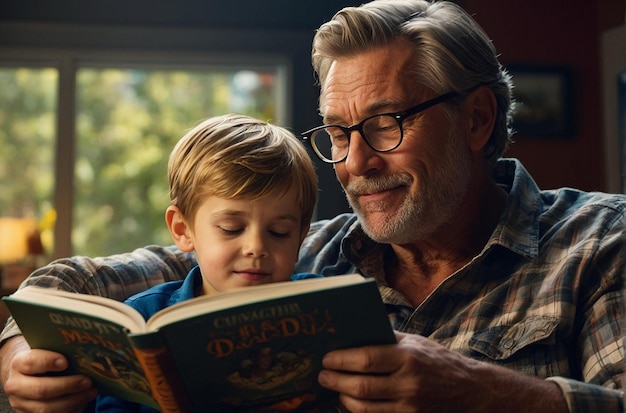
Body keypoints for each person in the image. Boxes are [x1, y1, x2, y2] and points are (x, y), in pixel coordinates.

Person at [0, 1, 624, 412]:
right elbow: (70, 282)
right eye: (337, 132)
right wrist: (20, 355)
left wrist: (489, 395)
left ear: (478, 119)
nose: (354, 162)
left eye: (385, 125)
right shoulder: (297, 251)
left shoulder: (601, 243)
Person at [86, 113, 319, 411]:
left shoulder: (322, 306)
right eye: (231, 229)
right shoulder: (142, 318)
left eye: (279, 232)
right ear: (183, 230)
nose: (257, 247)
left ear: (300, 237)